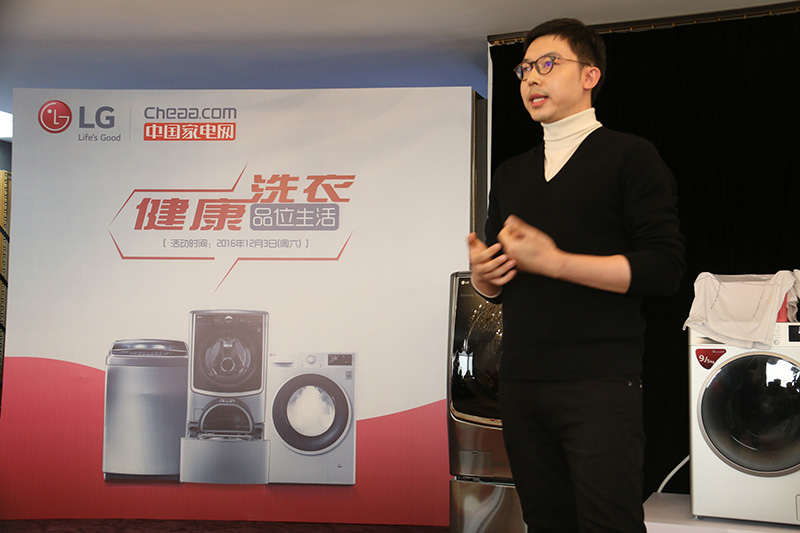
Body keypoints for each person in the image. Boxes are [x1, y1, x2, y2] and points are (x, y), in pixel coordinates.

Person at [467, 18, 685, 533]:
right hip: (521, 381)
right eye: (524, 69)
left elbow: (664, 268)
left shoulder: (630, 156)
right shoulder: (511, 173)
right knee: (546, 522)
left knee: (609, 523)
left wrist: (557, 261)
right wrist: (484, 277)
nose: (531, 78)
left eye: (547, 64)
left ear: (590, 76)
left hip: (598, 382)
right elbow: (499, 282)